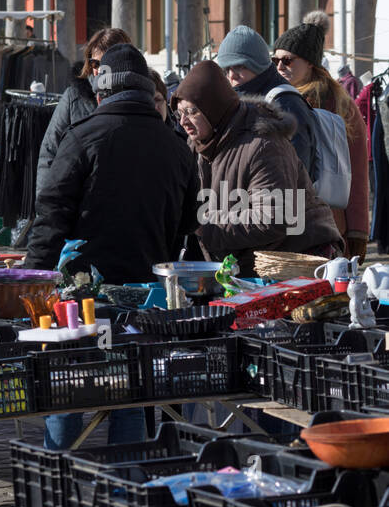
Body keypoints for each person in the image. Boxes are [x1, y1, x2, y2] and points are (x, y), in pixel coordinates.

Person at [26, 44, 200, 450]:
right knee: (129, 392)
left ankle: (59, 478)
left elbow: (50, 216)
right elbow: (185, 227)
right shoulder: (176, 148)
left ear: (101, 94)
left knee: (69, 388)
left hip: (83, 294)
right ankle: (128, 484)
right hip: (146, 292)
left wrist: (32, 283)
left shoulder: (84, 136)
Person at [172, 60, 342, 275]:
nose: (184, 121)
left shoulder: (263, 144)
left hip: (297, 264)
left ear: (213, 107)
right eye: (179, 114)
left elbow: (275, 218)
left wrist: (203, 225)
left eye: (192, 111)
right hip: (247, 268)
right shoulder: (195, 145)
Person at [272, 12, 369, 262]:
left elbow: (357, 174)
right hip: (288, 217)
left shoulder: (341, 105)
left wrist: (358, 231)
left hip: (326, 223)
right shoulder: (276, 99)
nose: (280, 66)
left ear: (311, 63)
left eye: (288, 60)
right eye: (275, 60)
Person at [34, 27, 131, 200]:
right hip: (80, 204)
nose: (100, 70)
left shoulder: (144, 96)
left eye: (107, 63)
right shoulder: (74, 97)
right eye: (95, 64)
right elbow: (49, 152)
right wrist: (45, 206)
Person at [215, 24, 316, 178]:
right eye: (226, 69)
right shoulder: (239, 98)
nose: (231, 76)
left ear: (258, 65)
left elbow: (297, 173)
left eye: (239, 67)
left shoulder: (285, 102)